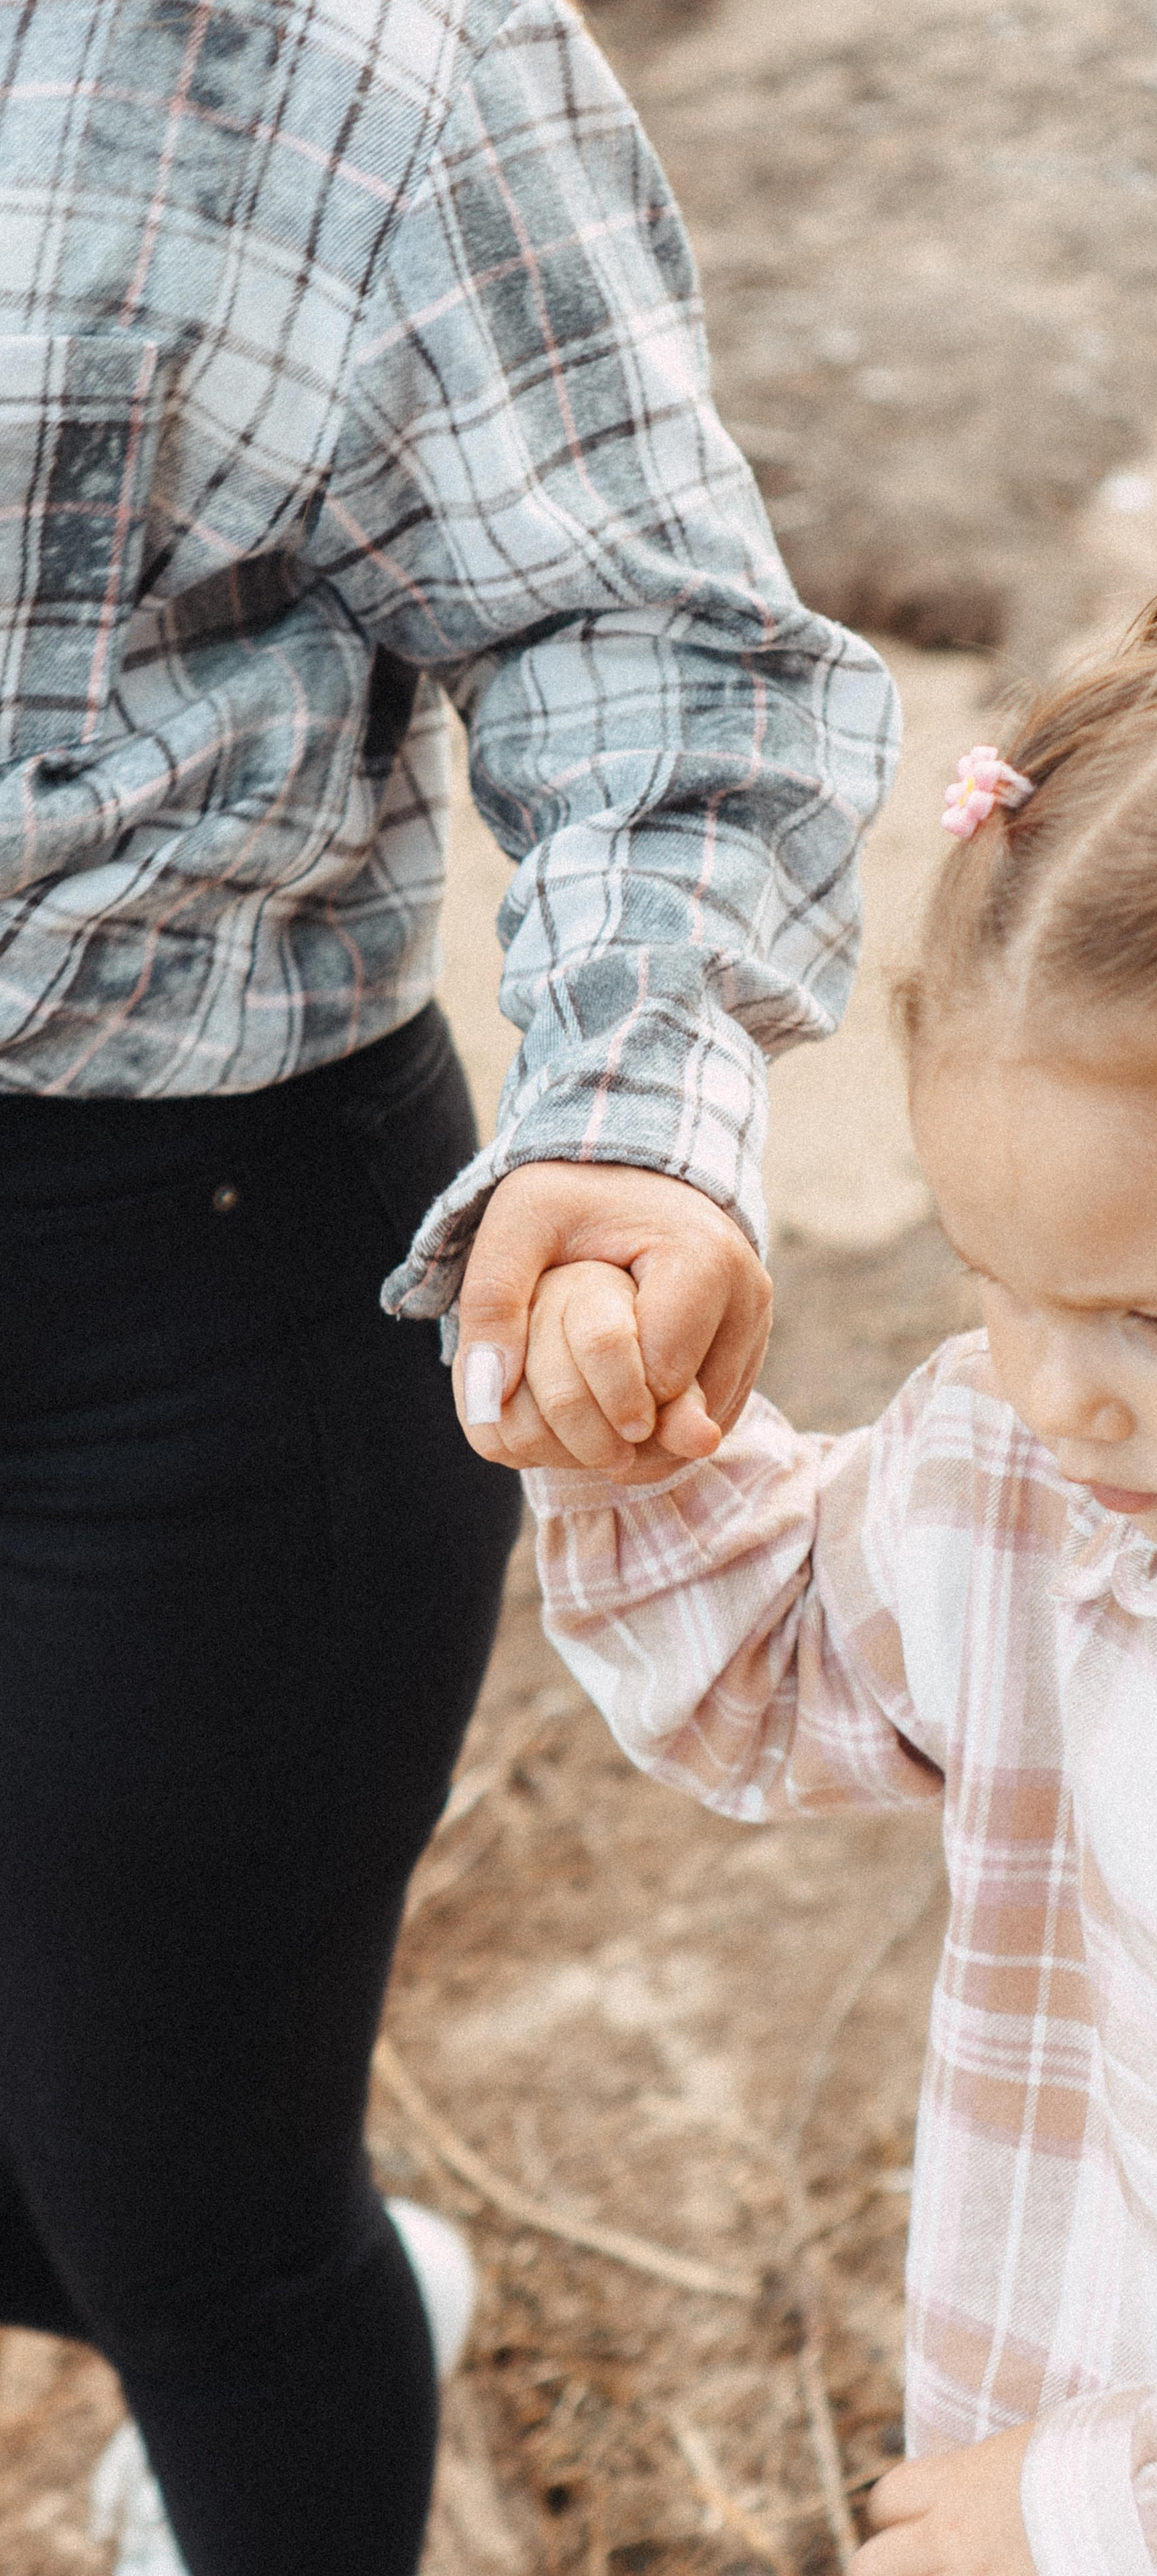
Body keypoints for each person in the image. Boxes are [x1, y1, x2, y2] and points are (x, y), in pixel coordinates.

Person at [0, 0, 894, 2563]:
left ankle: (304, 2347)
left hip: (181, 1327)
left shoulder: (351, 57)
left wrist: (641, 1117)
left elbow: (644, 640)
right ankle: (353, 2289)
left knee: (207, 2241)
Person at [521, 629, 1157, 2576]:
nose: (1059, 1390)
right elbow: (768, 1670)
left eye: (1142, 1314)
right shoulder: (1019, 1480)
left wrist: (1079, 2512)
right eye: (991, 1273)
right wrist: (626, 1419)